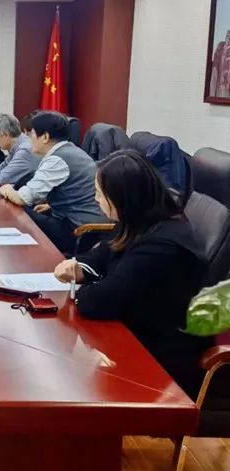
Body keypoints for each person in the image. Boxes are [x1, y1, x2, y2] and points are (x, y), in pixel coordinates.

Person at [53, 150, 212, 399]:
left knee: (72, 382)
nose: (96, 199)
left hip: (162, 356)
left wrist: (84, 289)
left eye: (100, 194)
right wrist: (80, 267)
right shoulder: (142, 222)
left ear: (123, 198)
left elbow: (99, 302)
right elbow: (105, 252)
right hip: (138, 331)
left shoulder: (161, 246)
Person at [0, 111, 107, 254]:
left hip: (79, 230)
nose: (29, 140)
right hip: (78, 220)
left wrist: (7, 189)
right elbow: (78, 191)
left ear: (45, 137)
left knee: (20, 213)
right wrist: (51, 205)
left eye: (31, 134)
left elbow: (22, 198)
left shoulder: (57, 159)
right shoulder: (70, 151)